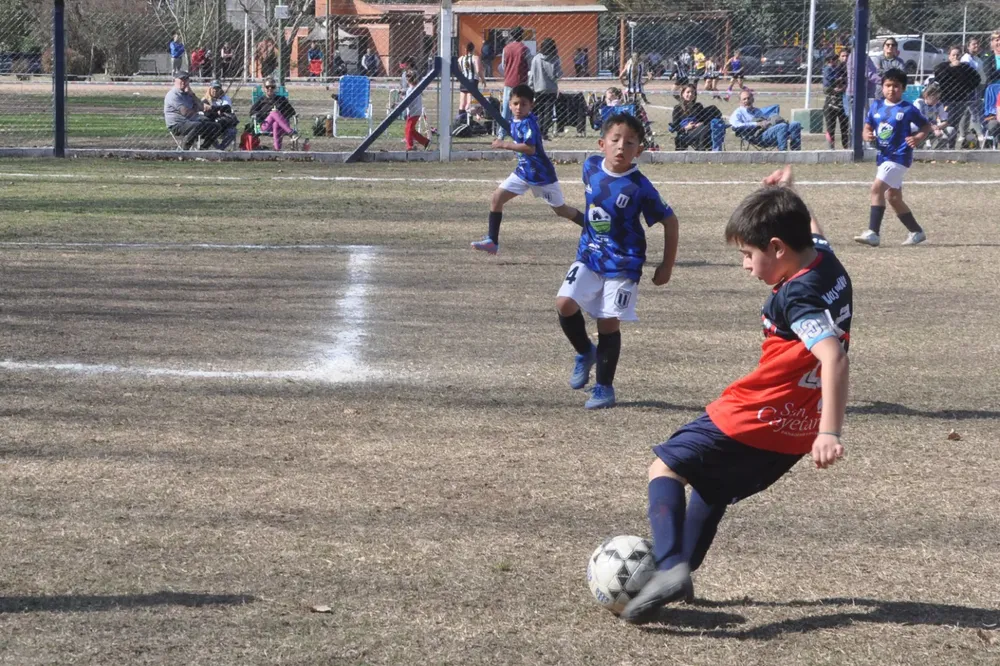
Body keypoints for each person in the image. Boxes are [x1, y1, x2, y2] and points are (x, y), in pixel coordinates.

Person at [619, 165, 851, 624]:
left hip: (759, 411)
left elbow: (833, 357)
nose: (746, 265)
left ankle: (668, 566)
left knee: (664, 466)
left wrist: (831, 432)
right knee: (712, 486)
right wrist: (786, 192)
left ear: (778, 249)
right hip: (794, 430)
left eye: (748, 254)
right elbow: (813, 230)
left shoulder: (797, 297)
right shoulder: (825, 261)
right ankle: (683, 570)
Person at [554, 113, 678, 410]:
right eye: (616, 140)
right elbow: (597, 216)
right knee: (564, 303)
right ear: (602, 144)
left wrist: (667, 265)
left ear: (640, 150)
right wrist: (573, 215)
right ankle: (585, 351)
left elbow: (670, 222)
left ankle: (604, 388)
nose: (622, 146)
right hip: (590, 254)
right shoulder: (590, 168)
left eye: (630, 142)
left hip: (624, 262)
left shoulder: (640, 187)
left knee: (607, 321)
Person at [471, 84, 578, 255]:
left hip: (541, 175)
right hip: (522, 172)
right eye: (515, 104)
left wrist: (504, 144)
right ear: (509, 104)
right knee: (497, 198)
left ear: (531, 105)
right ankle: (492, 241)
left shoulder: (529, 124)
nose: (518, 107)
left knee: (561, 210)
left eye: (523, 104)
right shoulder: (515, 120)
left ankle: (594, 229)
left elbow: (531, 148)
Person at [854, 69, 932, 248]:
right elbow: (867, 127)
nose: (891, 89)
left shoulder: (907, 108)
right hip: (884, 157)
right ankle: (916, 232)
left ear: (903, 88)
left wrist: (918, 137)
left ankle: (873, 233)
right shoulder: (876, 106)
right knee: (893, 197)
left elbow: (926, 125)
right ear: (882, 87)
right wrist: (867, 135)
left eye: (896, 86)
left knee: (876, 189)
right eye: (888, 85)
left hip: (899, 157)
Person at [931, 47, 979, 148]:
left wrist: (967, 89)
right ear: (949, 56)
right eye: (953, 55)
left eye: (958, 55)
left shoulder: (965, 67)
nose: (956, 57)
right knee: (947, 122)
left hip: (961, 99)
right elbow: (939, 78)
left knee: (956, 123)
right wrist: (952, 67)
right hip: (946, 99)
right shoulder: (943, 66)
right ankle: (941, 144)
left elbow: (976, 79)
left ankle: (952, 146)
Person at [729, 89, 803, 150]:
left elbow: (766, 121)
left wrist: (770, 122)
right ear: (740, 101)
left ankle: (796, 153)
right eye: (744, 99)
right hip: (757, 136)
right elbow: (735, 125)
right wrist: (756, 124)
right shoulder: (738, 112)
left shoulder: (758, 111)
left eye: (749, 98)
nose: (747, 100)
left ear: (753, 99)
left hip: (768, 131)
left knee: (795, 124)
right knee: (782, 126)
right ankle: (783, 154)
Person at [163, 70, 220, 149]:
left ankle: (203, 149)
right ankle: (184, 151)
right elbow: (185, 112)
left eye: (186, 79)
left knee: (216, 126)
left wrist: (192, 95)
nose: (184, 82)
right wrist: (198, 112)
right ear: (175, 81)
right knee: (198, 125)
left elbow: (200, 106)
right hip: (177, 124)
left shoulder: (188, 94)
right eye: (181, 79)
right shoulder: (173, 95)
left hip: (191, 121)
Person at [248, 77, 298, 150]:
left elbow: (292, 112)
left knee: (276, 123)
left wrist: (280, 114)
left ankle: (277, 150)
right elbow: (251, 112)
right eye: (267, 87)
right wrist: (268, 113)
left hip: (281, 126)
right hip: (266, 124)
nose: (270, 89)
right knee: (274, 113)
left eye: (272, 87)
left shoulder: (281, 99)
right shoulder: (261, 100)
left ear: (275, 88)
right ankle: (291, 133)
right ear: (264, 88)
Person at [499, 27, 530, 138]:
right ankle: (520, 132)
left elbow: (503, 66)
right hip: (521, 82)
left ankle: (501, 134)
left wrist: (507, 73)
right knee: (521, 108)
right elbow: (529, 64)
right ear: (522, 35)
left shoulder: (506, 48)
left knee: (506, 109)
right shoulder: (524, 49)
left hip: (509, 82)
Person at [529, 38, 562, 139]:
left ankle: (538, 131)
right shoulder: (555, 58)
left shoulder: (536, 58)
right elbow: (558, 75)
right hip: (551, 89)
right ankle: (544, 132)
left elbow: (532, 75)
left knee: (539, 111)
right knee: (548, 111)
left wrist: (531, 86)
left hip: (538, 88)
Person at [671, 83, 713, 151]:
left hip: (699, 130)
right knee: (703, 130)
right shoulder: (678, 108)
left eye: (693, 92)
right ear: (682, 94)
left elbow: (704, 119)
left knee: (706, 127)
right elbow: (675, 126)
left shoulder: (698, 106)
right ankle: (701, 152)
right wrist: (686, 128)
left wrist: (701, 123)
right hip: (686, 133)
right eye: (688, 92)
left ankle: (703, 152)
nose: (690, 94)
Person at [913, 82, 954, 150]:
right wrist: (931, 127)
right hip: (921, 128)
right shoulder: (919, 103)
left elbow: (945, 121)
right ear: (926, 96)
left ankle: (936, 151)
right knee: (914, 128)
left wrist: (937, 127)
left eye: (938, 98)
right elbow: (916, 120)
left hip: (934, 127)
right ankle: (920, 147)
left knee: (951, 130)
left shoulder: (939, 104)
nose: (937, 100)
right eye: (934, 98)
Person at [822, 50, 849, 149]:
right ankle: (831, 148)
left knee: (845, 128)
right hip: (831, 103)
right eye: (843, 56)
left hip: (844, 103)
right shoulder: (829, 70)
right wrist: (838, 87)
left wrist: (843, 85)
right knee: (830, 127)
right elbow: (826, 88)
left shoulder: (849, 69)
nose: (845, 58)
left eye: (834, 59)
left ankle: (846, 147)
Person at [202, 80, 239, 149]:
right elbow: (205, 113)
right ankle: (217, 149)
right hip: (212, 125)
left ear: (220, 89)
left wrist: (212, 109)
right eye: (213, 88)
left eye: (217, 88)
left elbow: (227, 108)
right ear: (210, 89)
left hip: (224, 125)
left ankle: (220, 149)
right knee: (209, 131)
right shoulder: (205, 100)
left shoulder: (225, 98)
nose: (215, 90)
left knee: (232, 131)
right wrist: (218, 111)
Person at [402, 69, 430, 151]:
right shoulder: (416, 88)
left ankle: (409, 146)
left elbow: (409, 102)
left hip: (413, 112)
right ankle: (425, 142)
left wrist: (401, 103)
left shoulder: (410, 90)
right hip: (417, 111)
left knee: (408, 129)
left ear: (407, 80)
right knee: (412, 130)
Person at [458, 43, 485, 113]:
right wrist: (483, 79)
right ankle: (468, 119)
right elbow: (478, 70)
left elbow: (459, 70)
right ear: (473, 49)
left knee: (462, 103)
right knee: (469, 102)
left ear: (465, 49)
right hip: (472, 81)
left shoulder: (460, 59)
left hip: (463, 81)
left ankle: (461, 119)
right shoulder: (475, 58)